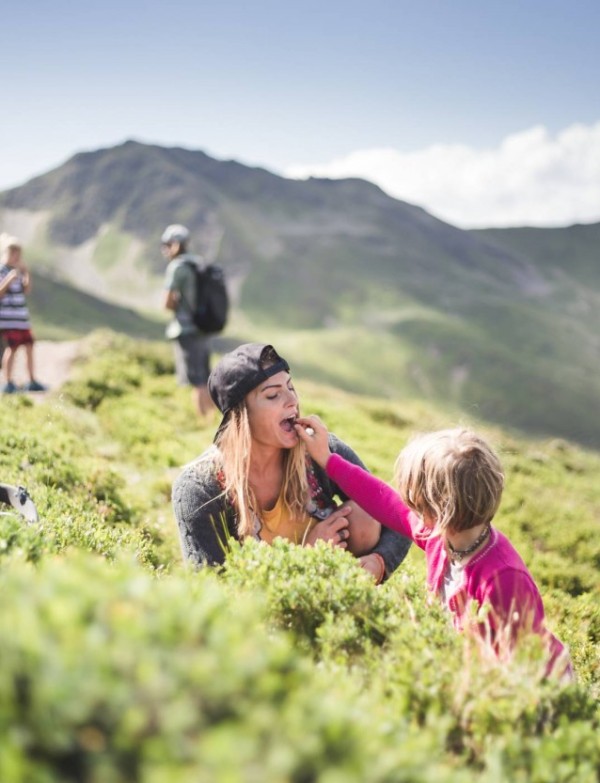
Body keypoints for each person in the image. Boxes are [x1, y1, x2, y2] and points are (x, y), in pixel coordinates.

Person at [296, 416, 572, 677]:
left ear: (434, 509)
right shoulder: (440, 535)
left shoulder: (504, 579)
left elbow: (519, 665)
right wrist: (328, 460)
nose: (406, 505)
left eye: (413, 499)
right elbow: (382, 500)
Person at [172, 343, 412, 582]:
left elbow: (400, 514)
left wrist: (380, 562)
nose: (292, 401)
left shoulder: (320, 451)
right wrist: (305, 557)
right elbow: (214, 590)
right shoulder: (199, 488)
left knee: (365, 515)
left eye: (291, 387)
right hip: (261, 612)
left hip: (333, 594)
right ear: (240, 415)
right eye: (273, 395)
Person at [161, 224, 213, 417]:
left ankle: (203, 421)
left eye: (166, 245)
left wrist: (177, 303)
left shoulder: (177, 267)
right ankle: (212, 418)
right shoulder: (198, 263)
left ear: (174, 245)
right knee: (206, 377)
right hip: (204, 327)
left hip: (186, 329)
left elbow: (167, 303)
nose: (165, 250)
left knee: (196, 381)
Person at [0, 234, 47, 394]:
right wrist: (8, 279)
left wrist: (26, 272)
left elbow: (26, 290)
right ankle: (8, 382)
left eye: (18, 254)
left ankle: (32, 380)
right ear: (6, 253)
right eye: (13, 253)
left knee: (29, 345)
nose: (16, 257)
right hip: (8, 320)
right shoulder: (2, 271)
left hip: (21, 318)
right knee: (11, 349)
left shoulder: (18, 272)